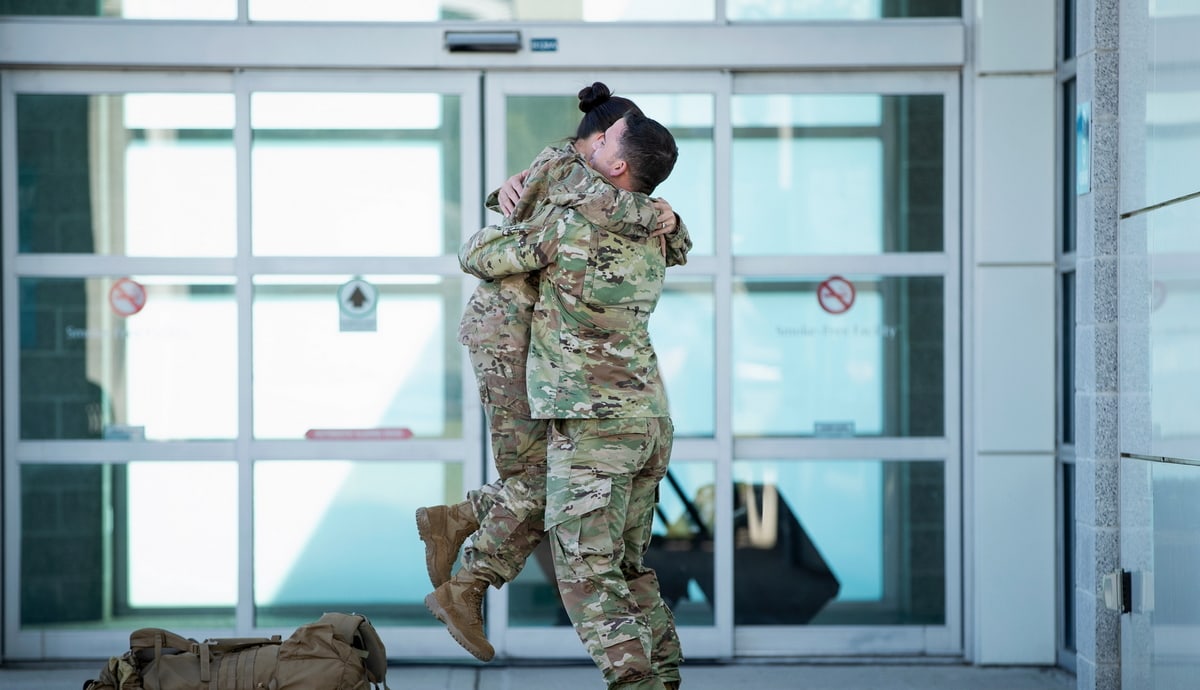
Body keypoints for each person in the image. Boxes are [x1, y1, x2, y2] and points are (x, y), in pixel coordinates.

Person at [417, 84, 688, 689]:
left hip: (591, 420)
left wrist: (506, 207)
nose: (588, 141)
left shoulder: (570, 227)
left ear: (616, 164)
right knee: (628, 568)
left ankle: (639, 684)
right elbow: (662, 222)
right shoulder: (663, 232)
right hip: (647, 418)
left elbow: (479, 255)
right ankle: (665, 679)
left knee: (590, 575)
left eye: (604, 137)